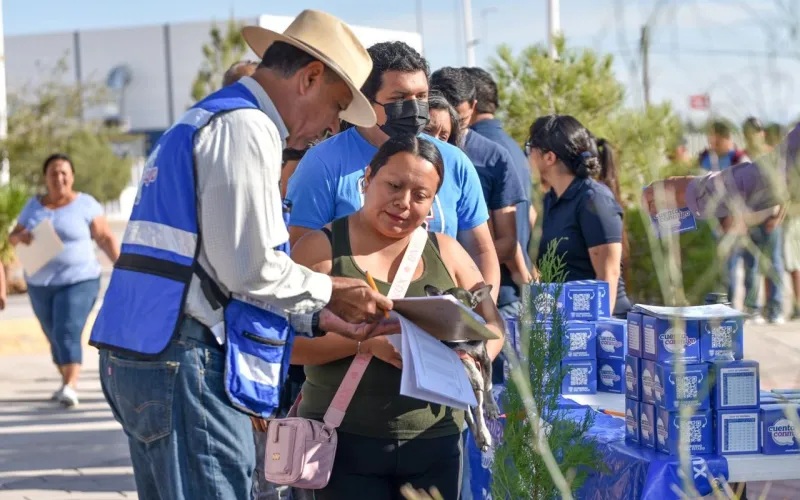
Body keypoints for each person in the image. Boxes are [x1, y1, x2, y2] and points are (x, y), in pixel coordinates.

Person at [89, 11, 399, 499]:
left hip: (151, 351)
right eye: (337, 106)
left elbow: (214, 265)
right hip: (185, 359)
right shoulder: (247, 127)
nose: (332, 127)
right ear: (310, 77)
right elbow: (248, 269)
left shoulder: (207, 118)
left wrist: (316, 319)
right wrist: (330, 292)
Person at [290, 135, 505, 500]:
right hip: (341, 440)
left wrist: (467, 356)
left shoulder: (448, 252)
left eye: (420, 195)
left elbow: (493, 327)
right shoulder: (320, 249)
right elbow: (290, 344)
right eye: (393, 185)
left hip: (434, 441)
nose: (403, 203)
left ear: (433, 202)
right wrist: (365, 344)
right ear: (368, 178)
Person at [285, 41, 501, 302]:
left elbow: (481, 250)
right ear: (366, 100)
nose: (413, 108)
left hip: (441, 333)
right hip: (356, 330)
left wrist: (480, 317)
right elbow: (302, 259)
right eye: (399, 98)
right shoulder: (323, 164)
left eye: (421, 97)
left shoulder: (453, 161)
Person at [8, 153, 119, 407]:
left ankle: (71, 385)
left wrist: (123, 269)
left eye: (63, 172)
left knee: (66, 329)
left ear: (72, 176)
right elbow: (13, 238)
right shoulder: (33, 205)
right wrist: (21, 238)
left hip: (79, 280)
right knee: (53, 335)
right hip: (39, 285)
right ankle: (66, 380)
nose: (59, 177)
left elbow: (104, 238)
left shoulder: (85, 204)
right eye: (53, 173)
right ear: (45, 178)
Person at [430, 67, 530, 311]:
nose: (440, 140)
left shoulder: (494, 156)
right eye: (430, 129)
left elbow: (508, 240)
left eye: (459, 121)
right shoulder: (407, 155)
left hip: (489, 294)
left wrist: (460, 260)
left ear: (473, 107)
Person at [527, 115, 632, 316]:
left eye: (530, 148)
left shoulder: (593, 199)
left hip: (602, 325)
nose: (528, 156)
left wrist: (600, 334)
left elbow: (608, 275)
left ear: (549, 157)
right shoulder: (551, 200)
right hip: (567, 321)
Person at [642, 124, 799, 220]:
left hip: (748, 216)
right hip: (719, 214)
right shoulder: (705, 156)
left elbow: (772, 179)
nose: (713, 144)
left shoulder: (739, 156)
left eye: (716, 140)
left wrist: (688, 192)